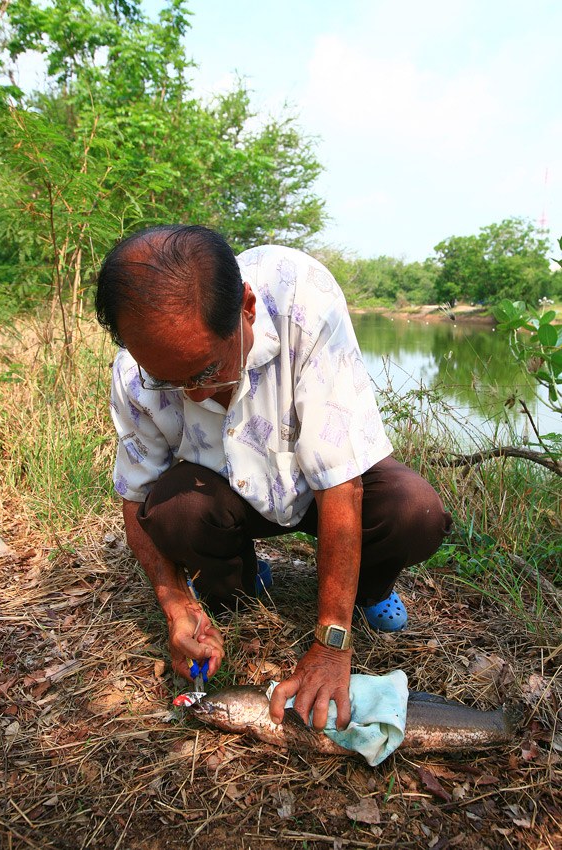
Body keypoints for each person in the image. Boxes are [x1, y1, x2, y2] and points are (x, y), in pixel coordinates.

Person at [95, 224, 452, 734]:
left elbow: (341, 481)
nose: (194, 397)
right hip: (228, 493)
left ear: (246, 306)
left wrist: (332, 640)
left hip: (316, 485)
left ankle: (368, 590)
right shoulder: (134, 370)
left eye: (205, 371)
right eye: (169, 381)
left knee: (413, 511)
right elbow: (134, 495)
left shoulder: (304, 297)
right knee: (172, 511)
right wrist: (175, 604)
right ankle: (240, 581)